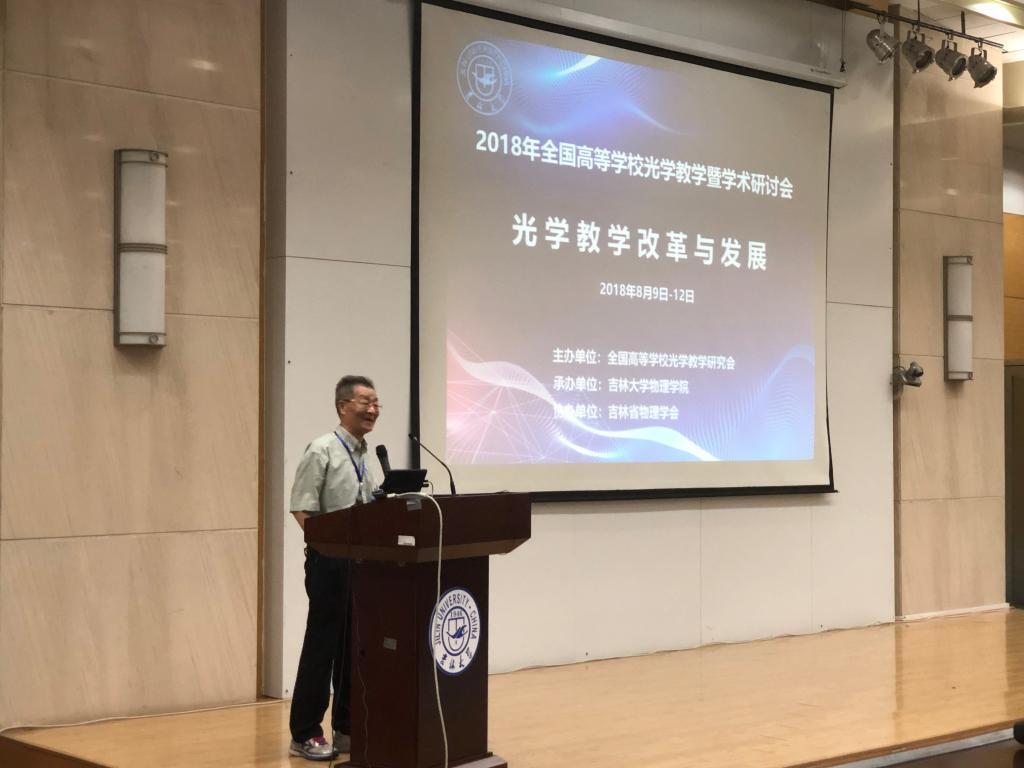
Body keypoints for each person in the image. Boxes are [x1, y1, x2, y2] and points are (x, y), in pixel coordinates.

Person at [288, 375, 381, 761]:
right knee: (322, 647)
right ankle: (305, 733)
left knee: (352, 648)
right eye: (365, 402)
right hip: (329, 563)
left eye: (376, 404)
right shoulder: (322, 449)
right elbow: (301, 507)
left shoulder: (363, 454)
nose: (373, 410)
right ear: (343, 406)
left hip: (360, 563)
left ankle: (346, 727)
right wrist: (326, 548)